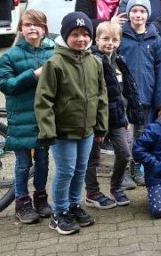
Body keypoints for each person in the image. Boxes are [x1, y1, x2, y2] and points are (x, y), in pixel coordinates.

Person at [34, 12, 107, 235]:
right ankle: (59, 212)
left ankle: (74, 205)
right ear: (66, 36)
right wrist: (47, 131)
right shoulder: (54, 63)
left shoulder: (94, 61)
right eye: (75, 34)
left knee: (80, 169)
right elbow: (43, 100)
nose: (81, 39)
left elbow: (101, 94)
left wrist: (101, 125)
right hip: (62, 131)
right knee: (65, 171)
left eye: (85, 34)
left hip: (86, 130)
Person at [0, 9, 56, 224]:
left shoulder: (54, 52)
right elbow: (6, 85)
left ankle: (41, 198)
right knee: (23, 164)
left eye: (37, 24)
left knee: (42, 161)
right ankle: (22, 202)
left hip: (45, 118)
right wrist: (33, 75)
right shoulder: (9, 56)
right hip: (22, 118)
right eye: (28, 24)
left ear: (44, 29)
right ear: (20, 28)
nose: (33, 28)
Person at [85, 21, 140, 209]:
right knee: (92, 157)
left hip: (117, 118)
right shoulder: (93, 60)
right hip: (97, 119)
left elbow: (125, 92)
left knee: (124, 154)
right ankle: (92, 191)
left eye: (115, 40)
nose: (110, 43)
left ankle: (116, 187)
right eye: (106, 39)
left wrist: (127, 116)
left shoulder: (119, 60)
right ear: (97, 40)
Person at [118, 0, 161, 185]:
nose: (138, 15)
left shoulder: (155, 38)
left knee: (142, 137)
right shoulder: (121, 35)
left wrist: (159, 98)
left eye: (142, 11)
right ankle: (122, 173)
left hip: (146, 96)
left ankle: (136, 170)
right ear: (128, 13)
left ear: (148, 14)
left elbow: (160, 69)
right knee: (125, 139)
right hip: (125, 98)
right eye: (134, 11)